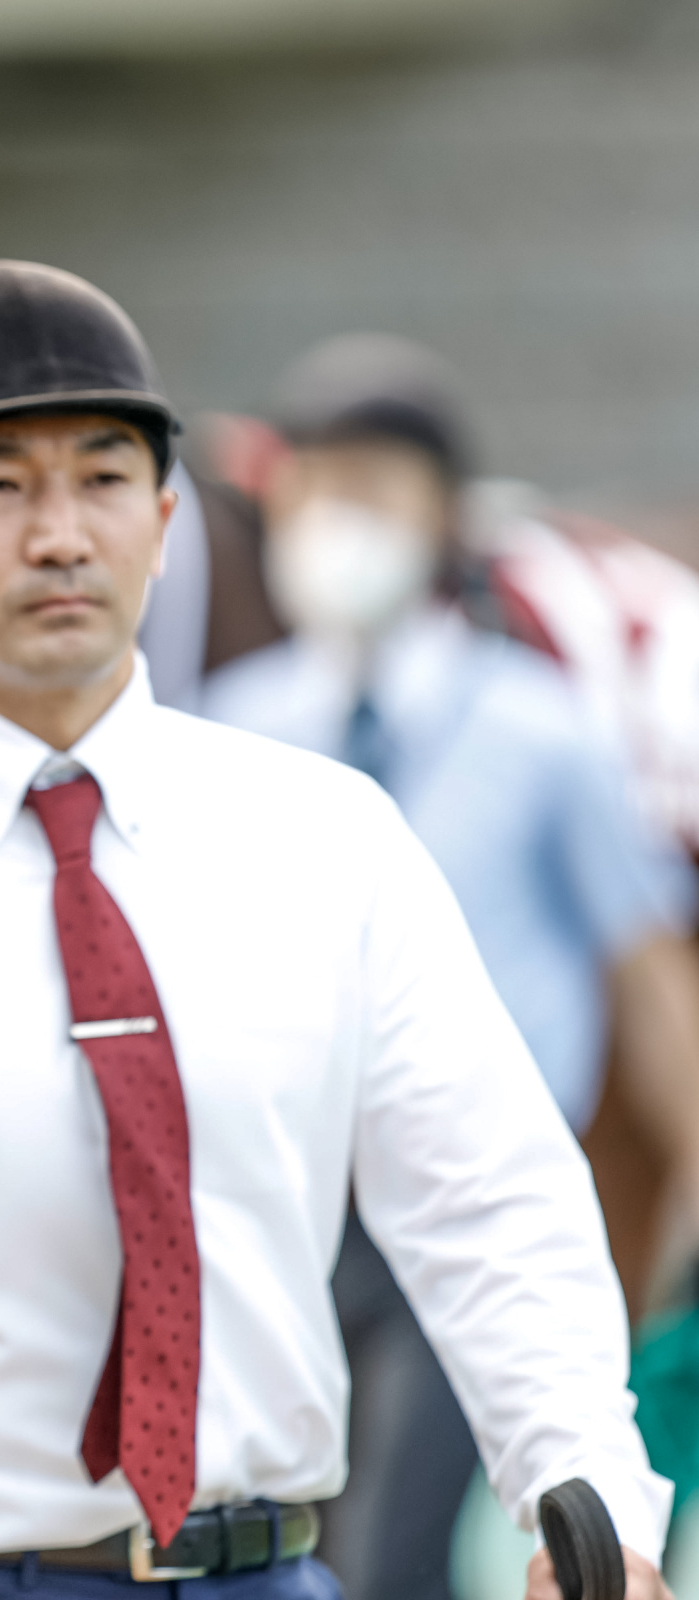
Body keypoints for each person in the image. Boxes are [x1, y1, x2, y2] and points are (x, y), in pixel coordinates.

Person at [0, 259, 672, 1599]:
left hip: (273, 1571)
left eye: (102, 479)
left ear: (162, 518)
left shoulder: (326, 833)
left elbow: (488, 1196)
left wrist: (585, 1495)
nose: (61, 535)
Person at [202, 334, 699, 1599]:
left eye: (377, 485)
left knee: (391, 1550)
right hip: (290, 1203)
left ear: (443, 515)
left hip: (472, 1193)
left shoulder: (544, 728)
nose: (341, 516)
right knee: (294, 1540)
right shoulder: (233, 724)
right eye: (317, 484)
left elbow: (645, 967)